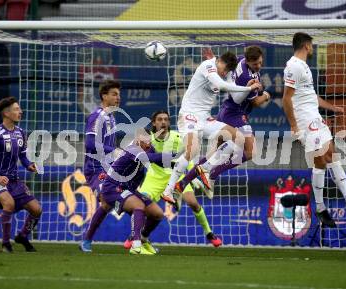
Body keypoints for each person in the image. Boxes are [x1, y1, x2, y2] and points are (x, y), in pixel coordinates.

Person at [282, 32, 346, 227]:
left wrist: (332, 108)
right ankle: (320, 208)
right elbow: (286, 98)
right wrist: (293, 125)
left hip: (315, 117)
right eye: (312, 45)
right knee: (320, 160)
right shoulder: (293, 66)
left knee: (331, 154)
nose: (312, 48)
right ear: (307, 45)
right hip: (305, 121)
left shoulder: (304, 67)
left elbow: (311, 97)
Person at [162, 51, 262, 203]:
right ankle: (169, 190)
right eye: (225, 70)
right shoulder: (207, 65)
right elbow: (221, 85)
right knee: (193, 150)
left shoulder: (224, 71)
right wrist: (248, 89)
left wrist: (245, 87)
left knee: (238, 138)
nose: (225, 74)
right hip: (190, 115)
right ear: (221, 62)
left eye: (228, 72)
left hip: (205, 118)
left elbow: (234, 93)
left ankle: (206, 169)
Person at [129, 110, 221, 247]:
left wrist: (192, 175)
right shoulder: (148, 139)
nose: (163, 122)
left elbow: (187, 158)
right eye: (159, 119)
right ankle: (134, 236)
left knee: (193, 203)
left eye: (166, 119)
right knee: (140, 205)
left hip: (176, 175)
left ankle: (209, 233)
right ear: (154, 123)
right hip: (155, 177)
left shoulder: (178, 137)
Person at [80, 128, 173, 255]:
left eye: (148, 138)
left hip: (128, 188)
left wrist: (178, 165)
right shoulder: (133, 149)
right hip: (113, 186)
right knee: (132, 205)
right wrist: (178, 154)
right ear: (137, 139)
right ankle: (135, 245)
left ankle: (144, 240)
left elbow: (159, 161)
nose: (148, 141)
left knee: (157, 214)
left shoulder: (148, 148)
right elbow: (155, 157)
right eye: (144, 138)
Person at [0, 96, 41, 252]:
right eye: (16, 109)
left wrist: (29, 165)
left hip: (14, 180)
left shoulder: (21, 132)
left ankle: (23, 236)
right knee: (9, 204)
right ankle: (6, 244)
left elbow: (23, 157)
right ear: (6, 113)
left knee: (36, 209)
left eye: (19, 108)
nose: (21, 111)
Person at [84, 80, 121, 199]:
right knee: (106, 198)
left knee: (121, 200)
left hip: (109, 169)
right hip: (96, 169)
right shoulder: (97, 116)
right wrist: (114, 151)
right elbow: (90, 143)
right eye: (114, 94)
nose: (118, 98)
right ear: (104, 96)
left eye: (119, 95)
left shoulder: (112, 118)